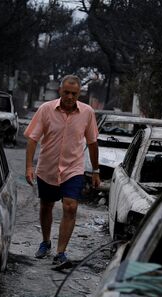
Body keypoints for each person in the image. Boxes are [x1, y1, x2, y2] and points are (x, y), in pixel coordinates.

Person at [24, 75, 100, 268]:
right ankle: (45, 241)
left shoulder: (87, 112)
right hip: (47, 168)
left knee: (70, 207)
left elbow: (92, 142)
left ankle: (61, 252)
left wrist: (96, 170)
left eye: (74, 93)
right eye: (66, 92)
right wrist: (29, 167)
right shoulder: (46, 109)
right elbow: (33, 139)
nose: (69, 96)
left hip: (73, 168)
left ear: (79, 93)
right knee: (46, 206)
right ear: (60, 91)